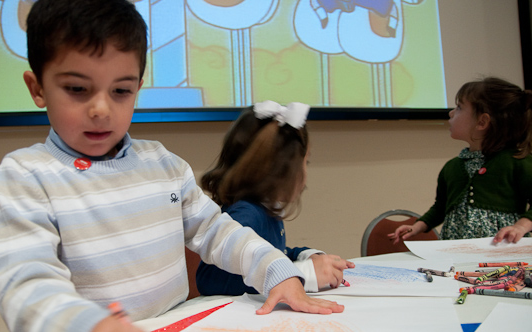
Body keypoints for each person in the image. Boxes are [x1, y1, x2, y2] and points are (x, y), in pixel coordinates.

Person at [0, 0, 344, 332]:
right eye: (77, 89)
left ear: (138, 87)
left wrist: (276, 271)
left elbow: (218, 231)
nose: (101, 109)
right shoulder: (26, 175)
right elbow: (25, 283)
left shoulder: (163, 163)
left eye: (121, 91)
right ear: (37, 87)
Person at [197, 101, 354, 296]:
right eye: (306, 162)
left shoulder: (264, 209)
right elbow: (210, 281)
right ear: (286, 171)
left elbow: (265, 256)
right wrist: (300, 275)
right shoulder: (246, 216)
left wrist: (306, 256)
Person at [389, 77, 532, 245]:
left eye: (459, 108)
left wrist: (521, 226)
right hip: (455, 251)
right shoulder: (452, 167)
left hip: (501, 252)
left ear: (482, 122)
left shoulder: (517, 162)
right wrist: (418, 226)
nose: (451, 113)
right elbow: (441, 207)